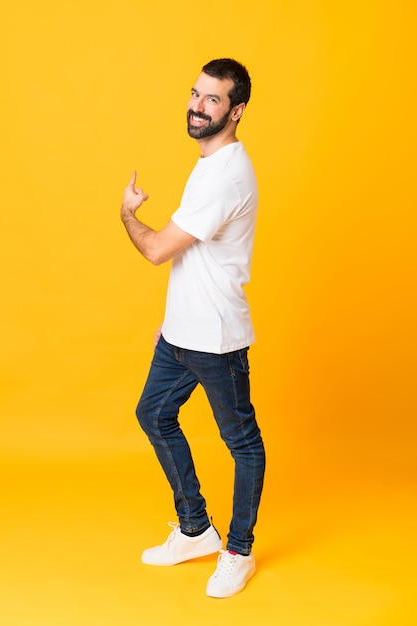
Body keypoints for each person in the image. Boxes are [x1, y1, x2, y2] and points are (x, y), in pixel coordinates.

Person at [120, 58, 265, 599]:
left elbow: (159, 249)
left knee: (243, 444)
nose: (197, 106)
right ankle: (195, 529)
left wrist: (128, 215)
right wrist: (170, 320)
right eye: (195, 94)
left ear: (236, 110)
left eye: (211, 99)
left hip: (217, 339)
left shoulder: (225, 175)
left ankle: (238, 550)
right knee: (154, 415)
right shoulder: (210, 162)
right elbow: (195, 257)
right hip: (182, 332)